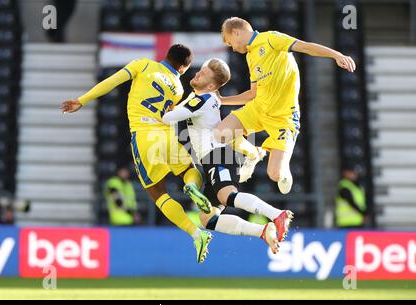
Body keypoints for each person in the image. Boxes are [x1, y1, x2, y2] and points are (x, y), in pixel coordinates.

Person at [60, 44, 213, 264]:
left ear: (165, 56)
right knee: (191, 171)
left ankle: (196, 234)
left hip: (143, 135)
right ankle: (190, 187)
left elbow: (112, 81)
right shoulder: (178, 88)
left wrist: (82, 100)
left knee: (157, 192)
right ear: (182, 68)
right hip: (167, 135)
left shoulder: (143, 64)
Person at [162, 58, 294, 254]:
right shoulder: (198, 98)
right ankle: (262, 230)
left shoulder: (204, 99)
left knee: (227, 196)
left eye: (204, 74)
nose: (198, 74)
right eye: (201, 71)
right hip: (210, 160)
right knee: (208, 219)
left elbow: (167, 118)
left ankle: (277, 214)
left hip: (219, 155)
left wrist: (156, 106)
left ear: (212, 85)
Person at [216, 17, 356, 194]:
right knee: (220, 133)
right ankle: (253, 153)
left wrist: (336, 55)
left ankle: (285, 172)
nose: (233, 48)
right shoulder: (251, 56)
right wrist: (222, 100)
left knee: (275, 174)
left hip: (283, 118)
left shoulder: (271, 39)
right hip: (259, 109)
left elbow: (305, 46)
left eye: (231, 42)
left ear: (236, 32)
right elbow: (252, 94)